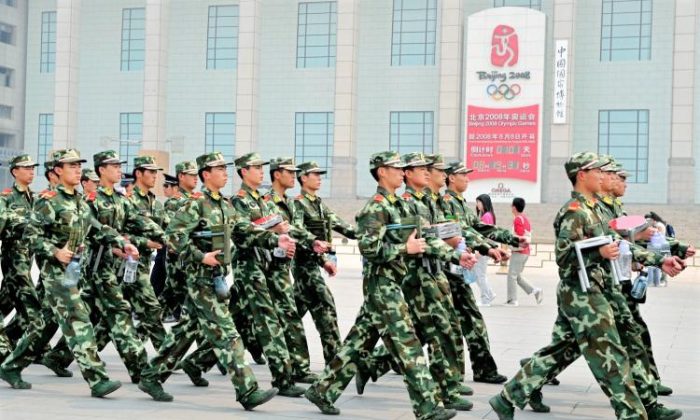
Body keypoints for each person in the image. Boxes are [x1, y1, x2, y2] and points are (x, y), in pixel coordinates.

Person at [489, 152, 685, 420]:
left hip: (599, 287)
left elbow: (623, 243)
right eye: (599, 172)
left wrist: (660, 260)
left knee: (565, 350)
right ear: (582, 175)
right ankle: (634, 413)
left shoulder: (598, 209)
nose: (605, 176)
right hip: (581, 293)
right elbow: (564, 257)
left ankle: (509, 396)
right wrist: (599, 253)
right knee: (611, 355)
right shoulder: (574, 212)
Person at [304, 151, 460, 420]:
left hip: (392, 284)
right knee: (408, 344)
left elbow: (424, 237)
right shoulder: (374, 208)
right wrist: (404, 248)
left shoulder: (399, 205)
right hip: (381, 287)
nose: (402, 172)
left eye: (402, 168)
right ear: (381, 172)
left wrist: (456, 254)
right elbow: (369, 248)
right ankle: (428, 407)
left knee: (358, 343)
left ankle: (323, 389)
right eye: (395, 168)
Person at [136, 152, 288, 411]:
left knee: (186, 331)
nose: (225, 173)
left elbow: (243, 229)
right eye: (219, 169)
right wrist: (200, 256)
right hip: (200, 280)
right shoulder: (196, 204)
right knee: (229, 334)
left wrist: (275, 240)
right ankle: (247, 390)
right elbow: (172, 238)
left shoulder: (224, 205)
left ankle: (151, 376)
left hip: (216, 278)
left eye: (225, 169)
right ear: (206, 174)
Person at [0, 148, 139, 397]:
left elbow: (96, 228)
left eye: (78, 165)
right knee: (79, 320)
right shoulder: (48, 200)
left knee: (42, 324)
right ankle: (97, 380)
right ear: (57, 171)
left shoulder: (79, 200)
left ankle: (10, 366)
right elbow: (31, 235)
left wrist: (121, 242)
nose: (77, 170)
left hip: (74, 271)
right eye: (71, 166)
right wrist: (54, 251)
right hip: (55, 273)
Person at [229, 152, 306, 398]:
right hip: (248, 267)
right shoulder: (239, 201)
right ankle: (283, 379)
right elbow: (240, 233)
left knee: (235, 321)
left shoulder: (263, 199)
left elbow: (284, 224)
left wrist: (311, 242)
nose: (261, 171)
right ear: (243, 171)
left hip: (265, 265)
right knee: (267, 321)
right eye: (255, 167)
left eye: (261, 167)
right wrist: (272, 230)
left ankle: (197, 362)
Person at [293, 161, 355, 365]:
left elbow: (341, 225)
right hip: (303, 267)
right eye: (315, 174)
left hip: (312, 265)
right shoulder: (298, 204)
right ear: (303, 178)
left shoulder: (318, 204)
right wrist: (318, 252)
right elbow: (300, 232)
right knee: (326, 308)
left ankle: (206, 357)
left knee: (289, 316)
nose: (319, 178)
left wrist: (371, 233)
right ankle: (336, 361)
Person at [127, 156, 169, 350]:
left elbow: (168, 227)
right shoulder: (128, 201)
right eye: (150, 172)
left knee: (107, 315)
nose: (154, 176)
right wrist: (145, 242)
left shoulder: (155, 202)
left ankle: (60, 354)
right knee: (151, 307)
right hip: (124, 262)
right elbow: (118, 232)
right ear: (138, 174)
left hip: (141, 265)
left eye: (155, 172)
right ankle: (166, 354)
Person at [505, 197, 542, 306]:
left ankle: (512, 300)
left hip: (519, 252)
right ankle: (535, 290)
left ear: (514, 207)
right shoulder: (525, 219)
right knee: (518, 276)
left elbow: (519, 236)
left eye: (511, 205)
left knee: (511, 275)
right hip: (525, 252)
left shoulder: (517, 219)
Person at [474, 194, 498, 306]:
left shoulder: (486, 216)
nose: (477, 204)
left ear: (484, 203)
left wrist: (479, 250)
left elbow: (485, 236)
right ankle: (490, 293)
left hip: (484, 249)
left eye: (478, 202)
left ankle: (486, 299)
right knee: (480, 274)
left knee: (479, 275)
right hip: (486, 248)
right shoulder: (488, 215)